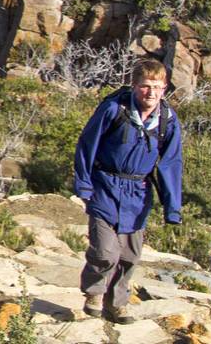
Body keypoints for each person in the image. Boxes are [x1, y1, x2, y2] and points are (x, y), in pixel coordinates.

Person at [73, 58, 184, 322]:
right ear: (134, 85)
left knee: (130, 255)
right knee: (105, 251)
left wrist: (173, 207)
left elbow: (171, 163)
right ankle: (95, 293)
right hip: (105, 185)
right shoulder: (114, 109)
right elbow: (87, 145)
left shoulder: (167, 120)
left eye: (158, 87)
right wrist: (84, 184)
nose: (151, 93)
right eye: (146, 86)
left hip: (138, 192)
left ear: (165, 88)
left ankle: (116, 304)